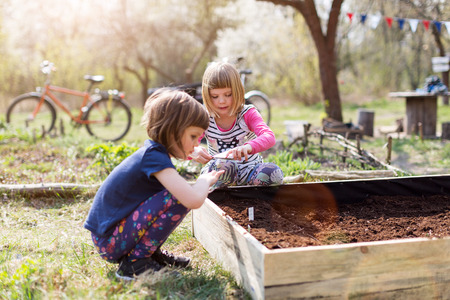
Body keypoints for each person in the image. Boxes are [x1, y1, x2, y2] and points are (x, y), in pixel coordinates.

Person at [84, 88, 224, 280]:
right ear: (173, 130)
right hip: (109, 241)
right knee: (177, 197)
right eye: (193, 137)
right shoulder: (154, 158)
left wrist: (190, 151)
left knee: (175, 193)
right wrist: (204, 180)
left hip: (113, 236)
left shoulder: (154, 153)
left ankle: (147, 255)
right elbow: (192, 200)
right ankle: (135, 263)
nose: (196, 143)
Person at [190, 62, 283, 188]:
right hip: (220, 172)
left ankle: (252, 198)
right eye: (215, 96)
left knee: (273, 173)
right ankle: (219, 198)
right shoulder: (204, 117)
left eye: (228, 95)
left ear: (238, 91)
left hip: (249, 171)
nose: (222, 101)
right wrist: (193, 151)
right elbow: (184, 145)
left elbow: (269, 137)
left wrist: (248, 147)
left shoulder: (247, 113)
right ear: (207, 95)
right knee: (223, 165)